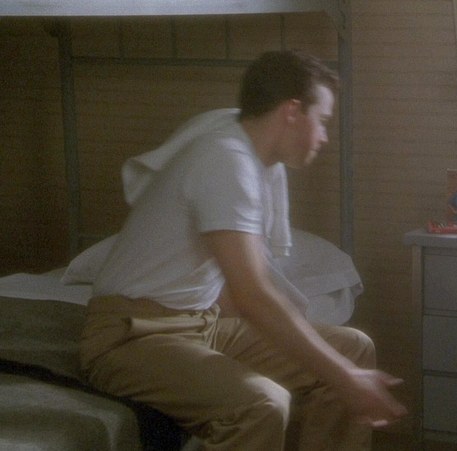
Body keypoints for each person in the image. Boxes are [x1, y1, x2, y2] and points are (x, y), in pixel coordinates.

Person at [78, 50, 407, 450]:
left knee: (353, 348)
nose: (323, 137)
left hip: (202, 324)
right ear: (291, 111)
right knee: (262, 404)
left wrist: (335, 364)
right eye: (322, 121)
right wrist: (344, 377)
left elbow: (240, 294)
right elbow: (252, 295)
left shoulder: (252, 161)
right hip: (132, 335)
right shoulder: (225, 159)